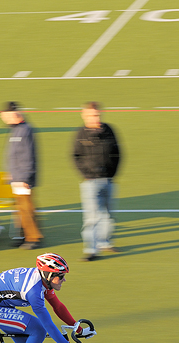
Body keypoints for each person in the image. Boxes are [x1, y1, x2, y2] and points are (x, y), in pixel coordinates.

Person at [72, 101, 122, 261]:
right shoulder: (81, 134)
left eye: (98, 115)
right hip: (90, 182)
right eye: (92, 115)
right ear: (84, 116)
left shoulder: (109, 130)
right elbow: (75, 156)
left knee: (108, 215)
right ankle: (91, 250)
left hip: (108, 179)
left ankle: (105, 243)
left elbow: (118, 153)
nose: (96, 118)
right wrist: (85, 174)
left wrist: (113, 173)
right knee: (92, 218)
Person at [0, 101, 42, 249]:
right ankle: (24, 236)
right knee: (21, 210)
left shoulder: (24, 130)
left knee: (27, 209)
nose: (3, 119)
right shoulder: (16, 130)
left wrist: (25, 177)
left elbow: (28, 155)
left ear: (13, 114)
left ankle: (33, 238)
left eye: (4, 116)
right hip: (16, 177)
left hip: (23, 178)